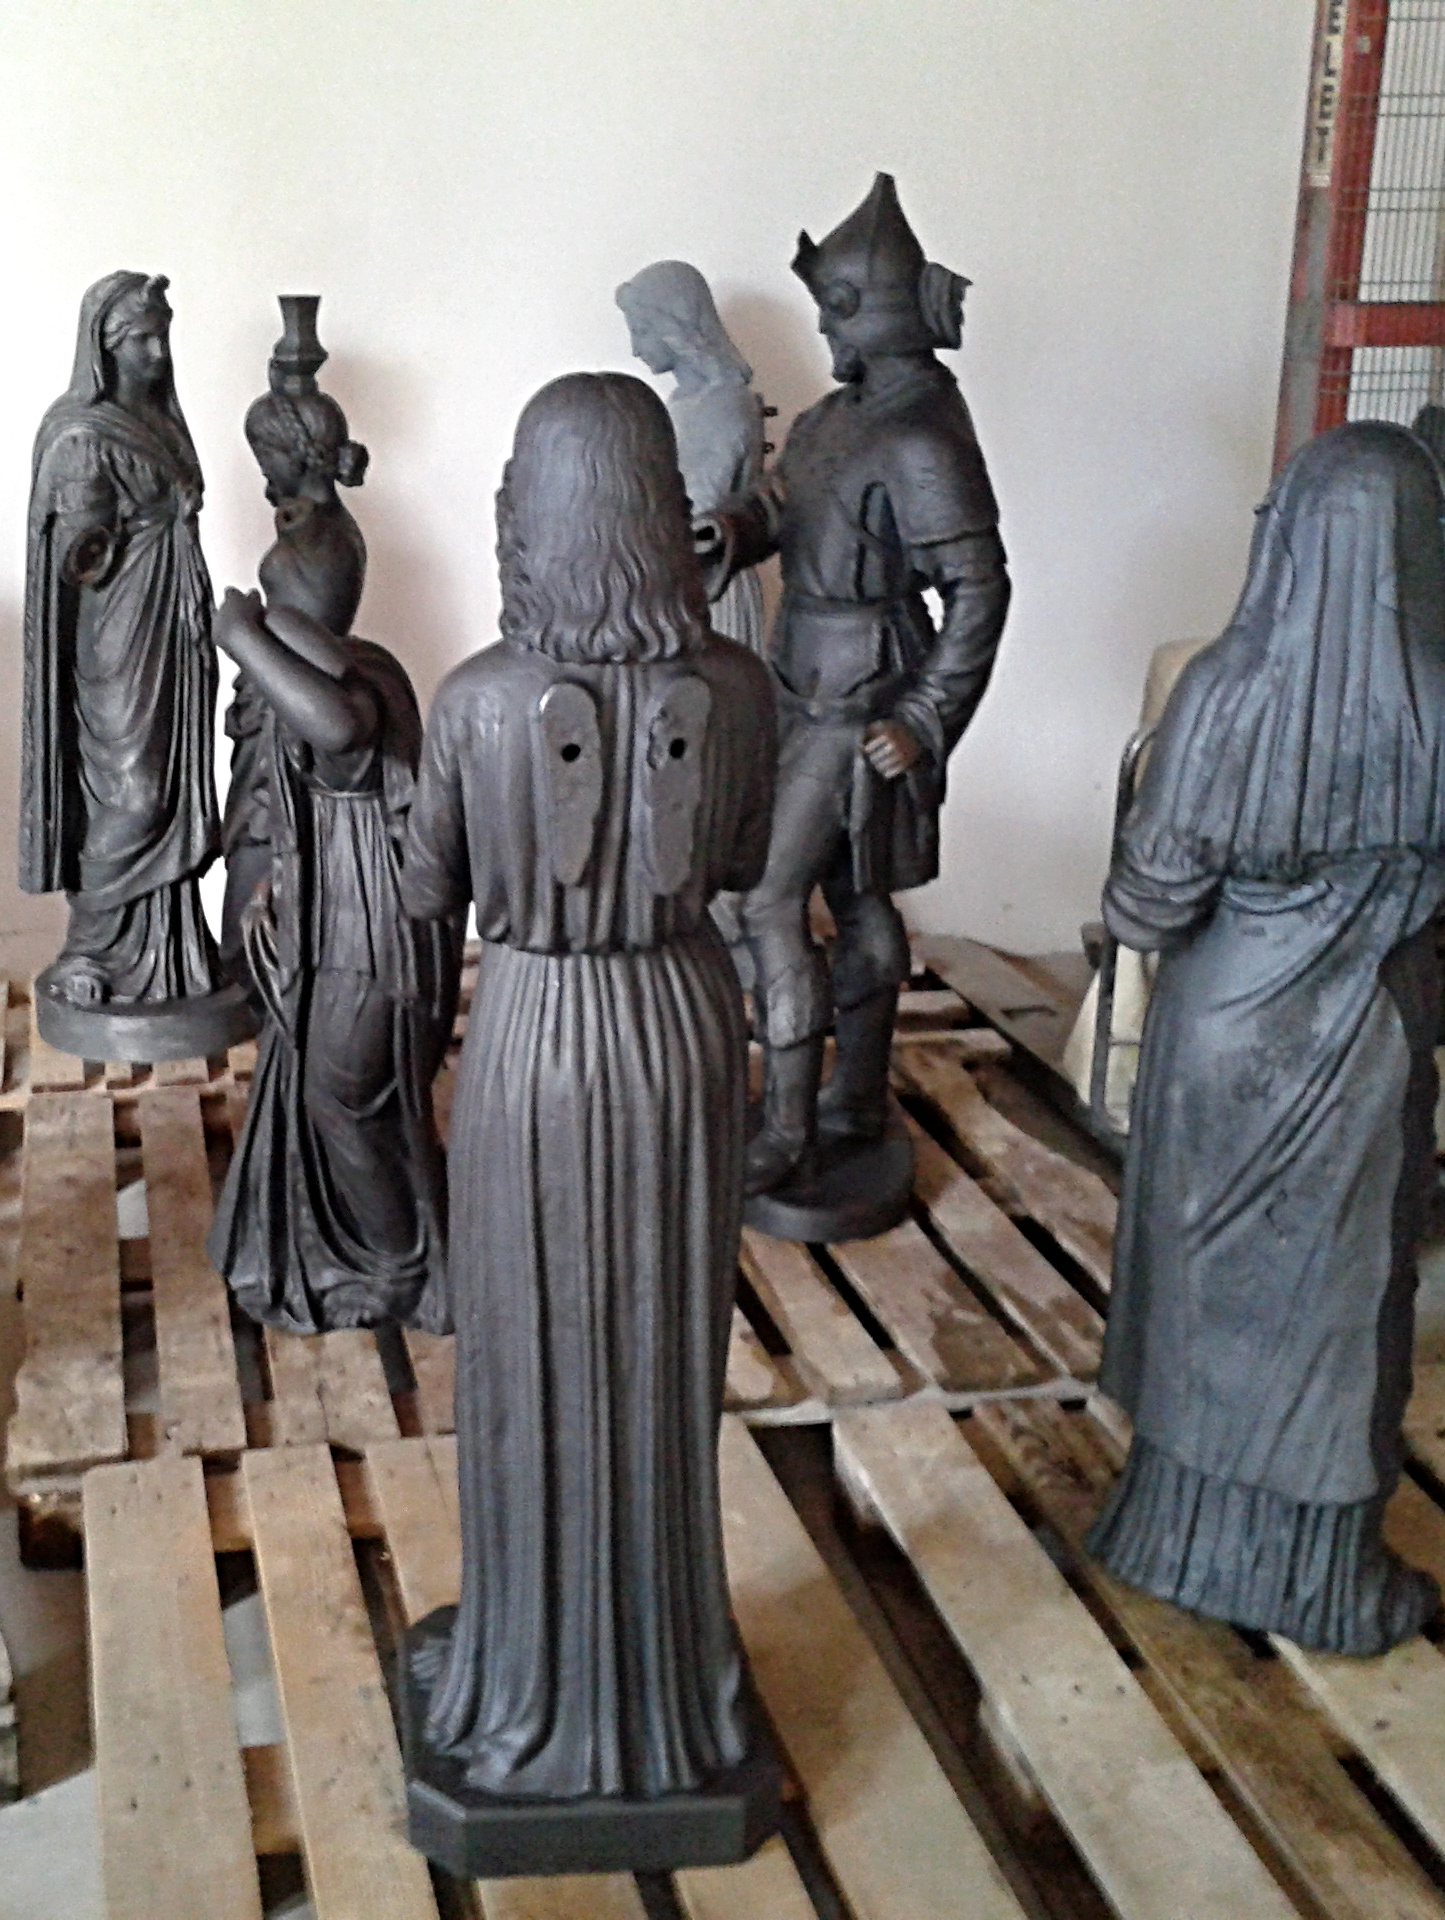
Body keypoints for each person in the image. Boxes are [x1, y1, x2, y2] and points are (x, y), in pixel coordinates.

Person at [399, 372, 775, 1811]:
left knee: (531, 1352)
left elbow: (430, 887)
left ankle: (527, 1679)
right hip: (680, 1032)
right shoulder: (738, 689)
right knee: (665, 1361)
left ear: (526, 519)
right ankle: (662, 1686)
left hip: (538, 1040)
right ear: (665, 517)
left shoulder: (476, 702)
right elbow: (740, 864)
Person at [1085, 422, 1445, 1655]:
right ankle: (1317, 1571)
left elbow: (1146, 905)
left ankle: (1173, 1531)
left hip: (1220, 1035)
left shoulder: (1224, 694)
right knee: (1334, 1308)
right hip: (1365, 1031)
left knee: (1205, 1290)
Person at [705, 176, 1010, 1207]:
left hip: (860, 695)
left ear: (870, 312)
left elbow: (979, 588)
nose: (826, 330)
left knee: (769, 898)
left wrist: (923, 716)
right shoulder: (838, 418)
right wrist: (731, 531)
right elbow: (787, 507)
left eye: (835, 309)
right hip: (801, 678)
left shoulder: (921, 436)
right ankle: (852, 1100)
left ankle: (795, 1126)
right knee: (856, 895)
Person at [205, 354, 458, 1334]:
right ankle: (372, 1242)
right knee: (354, 1100)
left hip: (370, 943)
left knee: (344, 1101)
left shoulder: (349, 707)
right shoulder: (361, 670)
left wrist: (242, 637)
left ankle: (393, 1260)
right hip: (340, 929)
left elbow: (340, 729)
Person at [21, 272, 227, 1019]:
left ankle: (170, 956)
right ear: (104, 349)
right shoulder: (82, 433)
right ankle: (91, 949)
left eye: (161, 337)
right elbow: (74, 554)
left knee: (169, 788)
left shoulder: (162, 421)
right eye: (140, 339)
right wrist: (86, 529)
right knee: (130, 794)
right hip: (116, 637)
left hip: (173, 629)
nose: (157, 353)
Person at [615, 260, 772, 645]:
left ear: (674, 327)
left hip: (713, 581)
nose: (636, 349)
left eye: (642, 331)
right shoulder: (682, 401)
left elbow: (699, 503)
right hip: (680, 578)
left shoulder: (727, 402)